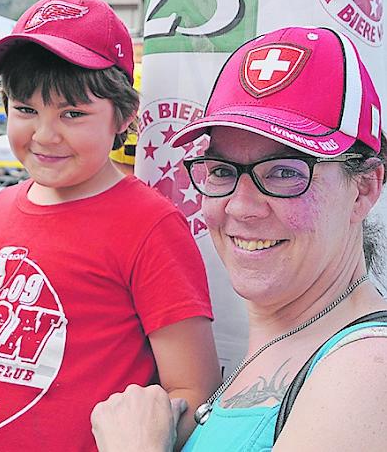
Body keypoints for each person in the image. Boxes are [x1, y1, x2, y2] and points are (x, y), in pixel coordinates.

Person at [0, 0, 221, 451]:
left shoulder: (149, 225)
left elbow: (194, 392)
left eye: (73, 114)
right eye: (26, 110)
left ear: (124, 116)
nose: (45, 135)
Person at [90, 26, 387, 451]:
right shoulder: (289, 338)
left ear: (364, 188)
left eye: (285, 172)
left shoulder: (366, 372)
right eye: (223, 171)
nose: (241, 207)